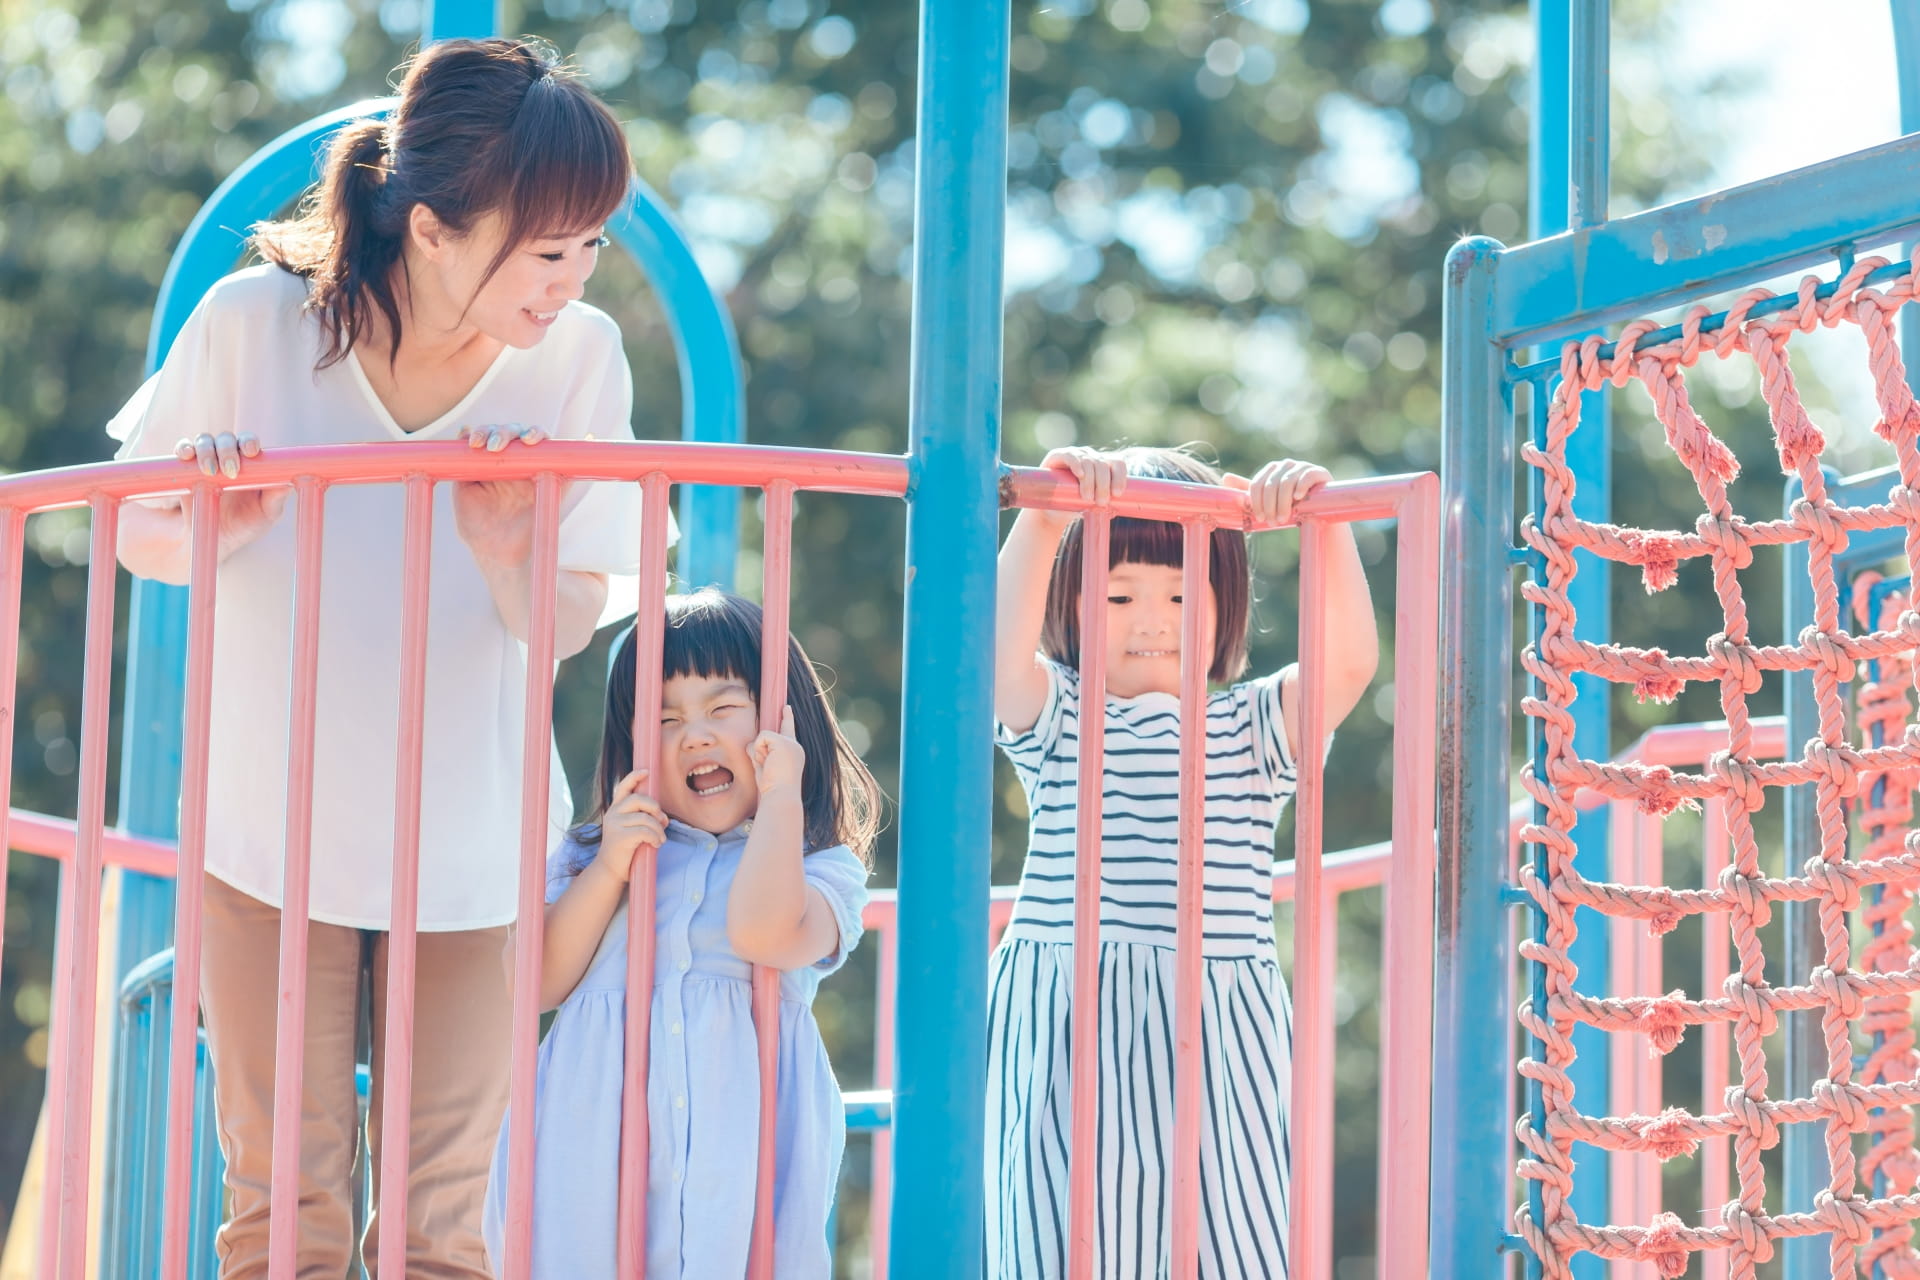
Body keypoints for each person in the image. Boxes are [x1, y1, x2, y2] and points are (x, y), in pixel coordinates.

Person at [108, 37, 654, 1278]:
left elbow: (572, 610)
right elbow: (137, 535)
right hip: (267, 834)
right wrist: (210, 526)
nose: (571, 279)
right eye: (547, 246)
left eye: (592, 246)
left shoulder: (580, 358)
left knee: (439, 1233)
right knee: (277, 1217)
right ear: (432, 226)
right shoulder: (253, 322)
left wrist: (512, 551)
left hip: (474, 850)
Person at [987, 445, 1378, 1278]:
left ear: (1225, 606)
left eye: (1179, 593)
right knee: (1061, 1231)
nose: (1151, 618)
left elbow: (1347, 664)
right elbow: (988, 658)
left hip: (1215, 1021)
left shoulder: (1249, 728)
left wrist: (1323, 528)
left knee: (1230, 1231)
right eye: (1120, 594)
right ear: (1072, 606)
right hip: (1071, 1018)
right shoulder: (1061, 716)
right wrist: (1047, 515)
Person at [482, 588, 879, 1278]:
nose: (695, 735)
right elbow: (534, 985)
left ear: (784, 723)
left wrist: (782, 796)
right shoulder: (595, 853)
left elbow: (761, 933)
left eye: (724, 708)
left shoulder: (818, 867)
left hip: (739, 1164)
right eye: (663, 720)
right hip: (592, 1157)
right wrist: (609, 866)